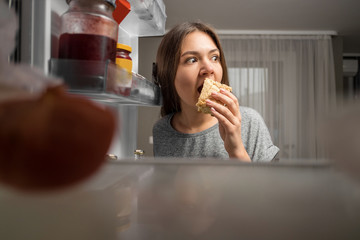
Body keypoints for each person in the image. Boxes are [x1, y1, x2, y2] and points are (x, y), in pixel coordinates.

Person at [152, 21, 279, 162]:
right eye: (192, 60)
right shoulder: (161, 130)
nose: (209, 68)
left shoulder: (250, 122)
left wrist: (236, 150)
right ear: (168, 74)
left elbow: (268, 184)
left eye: (214, 58)